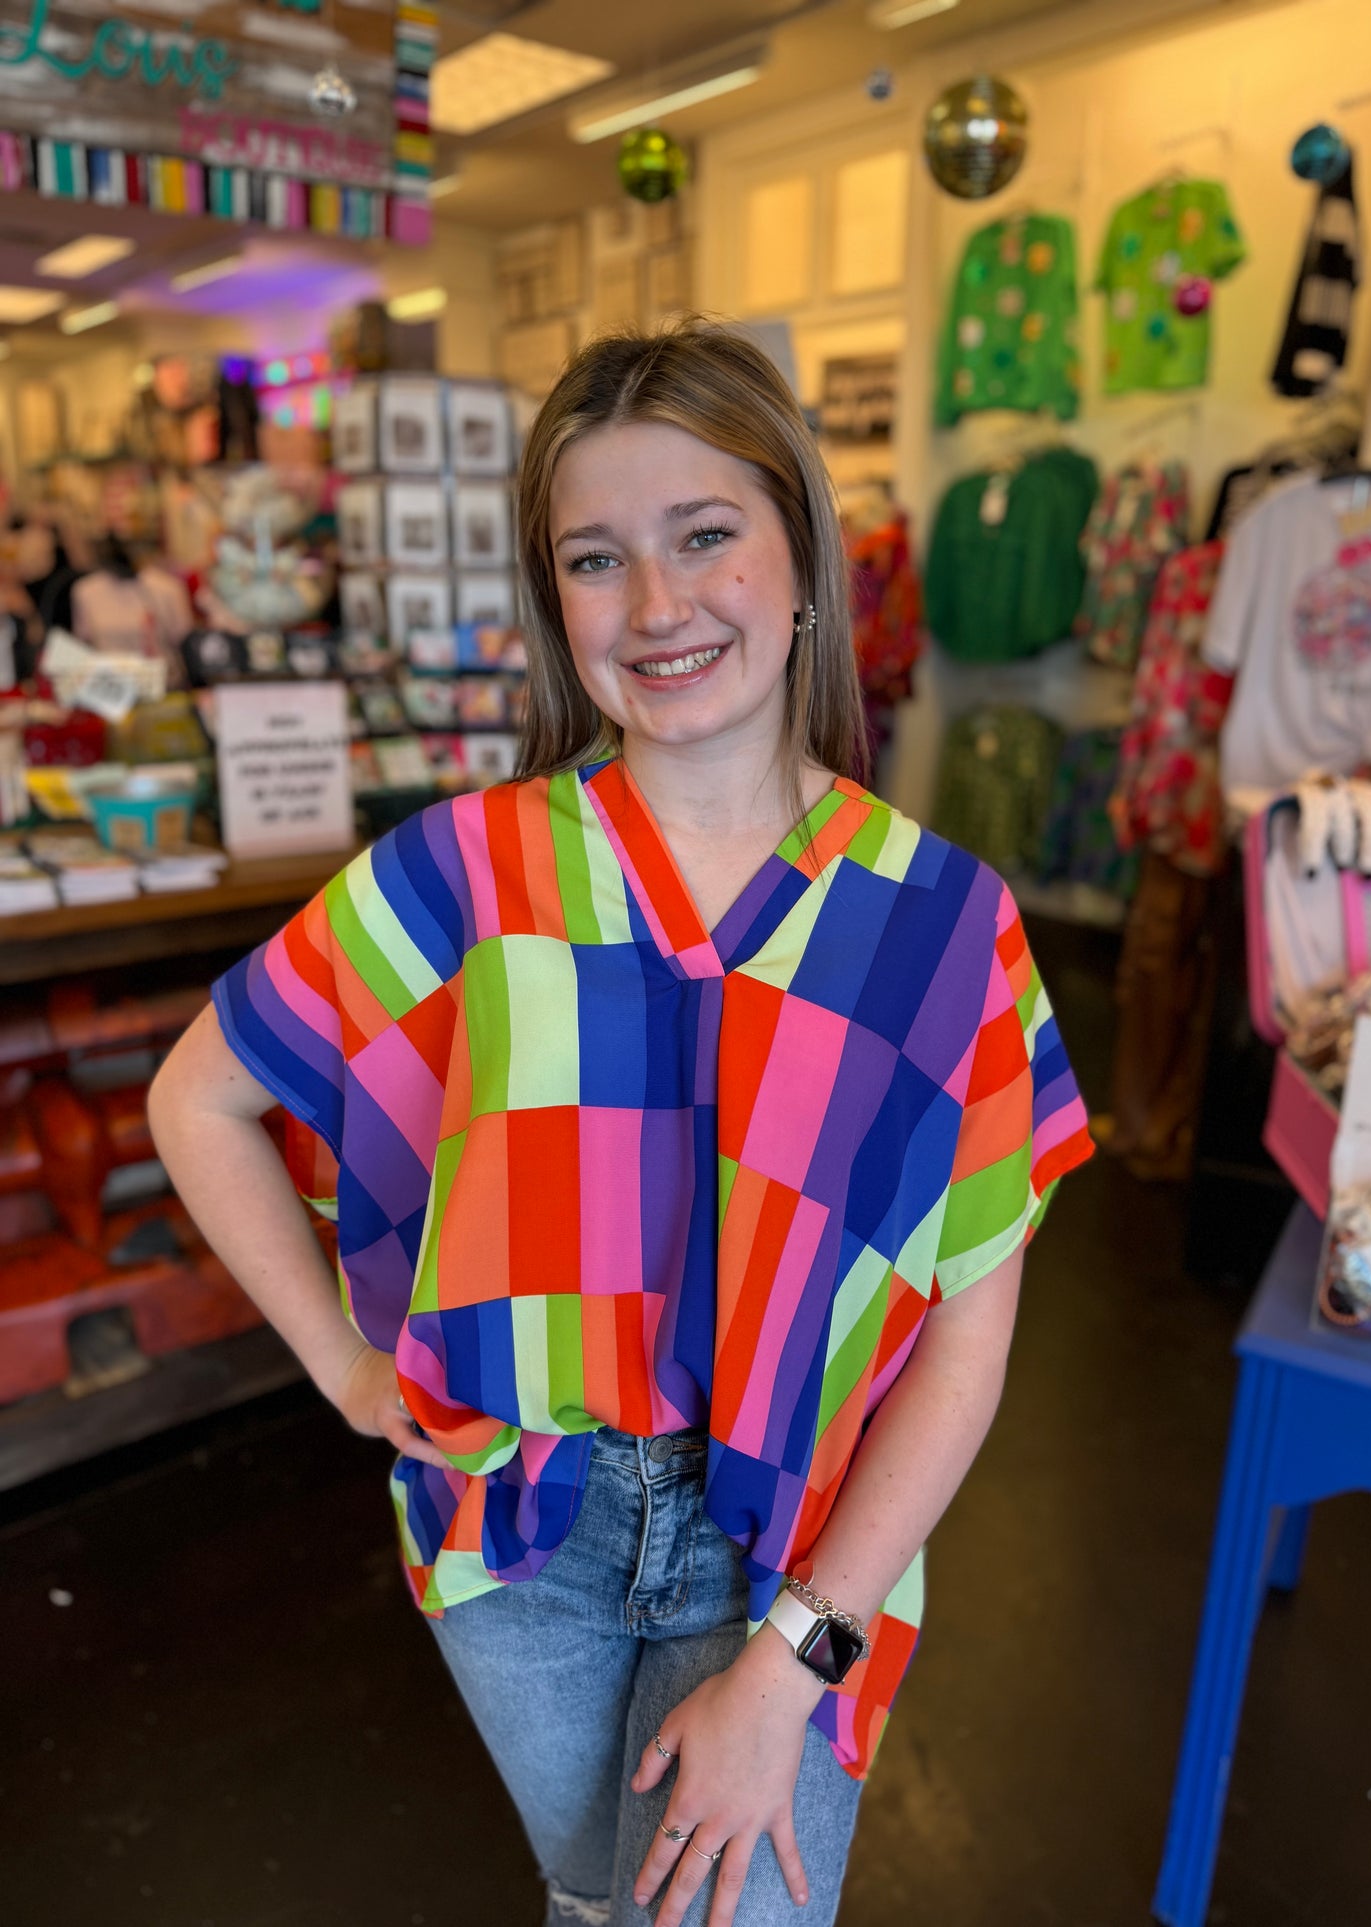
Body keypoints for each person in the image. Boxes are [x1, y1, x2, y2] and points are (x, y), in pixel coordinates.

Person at [148, 318, 1093, 1927]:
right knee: (598, 1904)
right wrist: (347, 1369)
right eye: (596, 559)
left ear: (799, 556)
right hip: (518, 1535)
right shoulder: (468, 876)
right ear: (553, 604)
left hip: (795, 1553)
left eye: (705, 536)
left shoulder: (940, 927)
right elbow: (201, 1094)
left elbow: (964, 1339)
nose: (656, 607)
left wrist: (793, 1660)